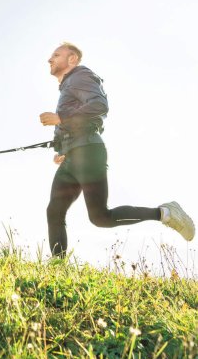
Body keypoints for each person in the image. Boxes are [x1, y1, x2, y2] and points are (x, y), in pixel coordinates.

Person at [39, 42, 194, 257]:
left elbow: (99, 106)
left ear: (72, 59)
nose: (50, 59)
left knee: (100, 217)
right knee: (55, 211)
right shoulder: (68, 85)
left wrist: (61, 118)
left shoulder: (80, 76)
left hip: (88, 152)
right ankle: (57, 268)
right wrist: (60, 147)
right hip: (73, 155)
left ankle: (166, 213)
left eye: (56, 54)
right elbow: (76, 122)